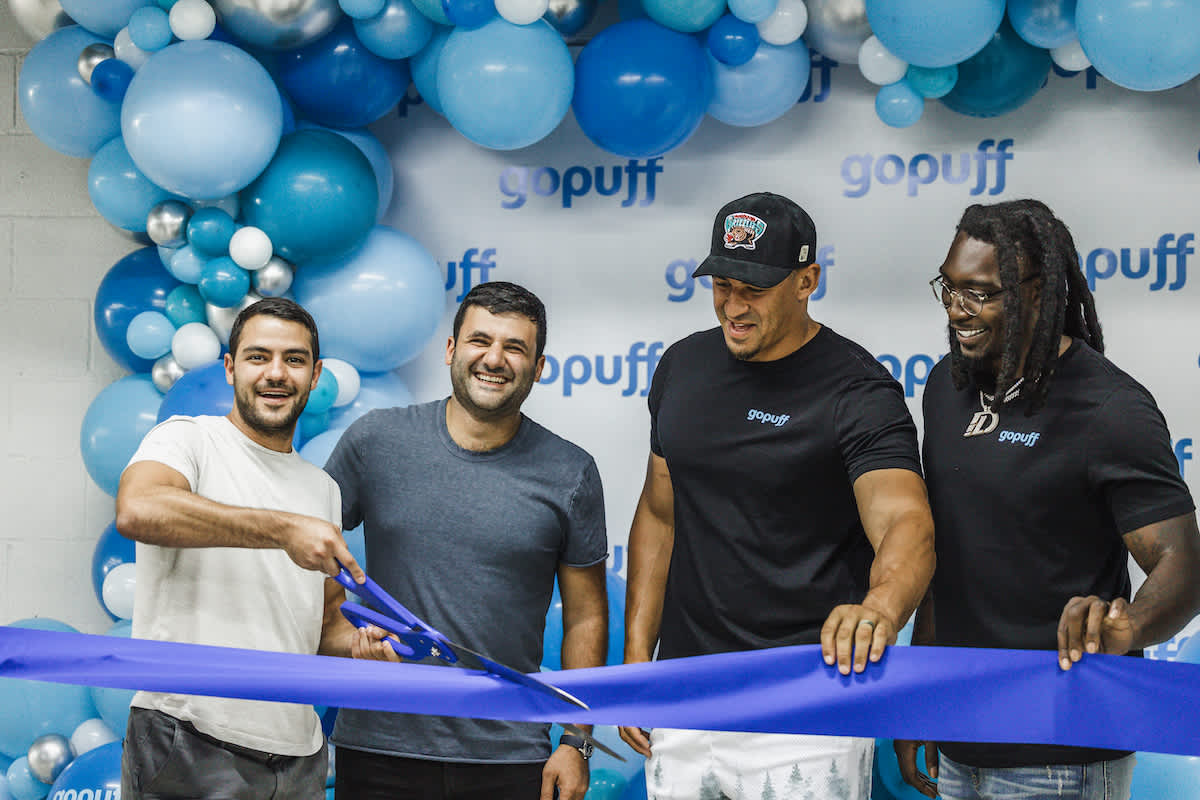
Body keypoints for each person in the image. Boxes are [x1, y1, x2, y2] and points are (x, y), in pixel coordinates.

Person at [618, 192, 936, 800]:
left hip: (809, 704)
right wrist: (638, 656)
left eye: (755, 289)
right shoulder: (681, 367)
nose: (733, 307)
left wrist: (882, 608)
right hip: (689, 693)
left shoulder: (858, 390)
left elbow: (906, 523)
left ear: (806, 281)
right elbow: (660, 514)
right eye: (722, 285)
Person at [895, 199, 1200, 800]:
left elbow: (1183, 568)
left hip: (1065, 749)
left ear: (1039, 293)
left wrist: (1126, 627)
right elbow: (947, 559)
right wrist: (924, 696)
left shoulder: (1110, 410)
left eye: (980, 293)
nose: (958, 310)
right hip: (964, 735)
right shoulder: (944, 388)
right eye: (949, 288)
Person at [322, 281, 609, 800]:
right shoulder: (376, 441)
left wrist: (576, 740)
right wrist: (339, 637)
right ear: (451, 350)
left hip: (510, 756)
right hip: (379, 745)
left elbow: (586, 615)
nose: (494, 359)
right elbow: (309, 552)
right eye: (480, 341)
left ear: (539, 367)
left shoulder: (572, 471)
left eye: (514, 347)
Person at [115, 297, 366, 800]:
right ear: (230, 368)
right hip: (187, 740)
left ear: (314, 375)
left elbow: (319, 626)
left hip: (298, 756)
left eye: (294, 360)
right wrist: (280, 531)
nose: (276, 373)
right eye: (258, 357)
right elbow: (138, 509)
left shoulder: (323, 490)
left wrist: (359, 645)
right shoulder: (186, 439)